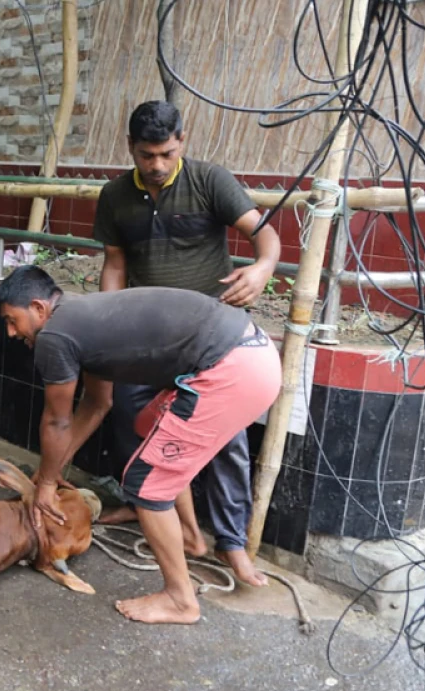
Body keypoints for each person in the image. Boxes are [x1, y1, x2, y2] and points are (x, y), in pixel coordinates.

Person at [0, 266, 281, 624]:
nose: (10, 332)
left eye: (12, 320)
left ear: (38, 308)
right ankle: (191, 538)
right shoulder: (79, 318)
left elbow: (58, 420)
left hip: (231, 367)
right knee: (149, 427)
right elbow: (97, 404)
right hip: (253, 354)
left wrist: (49, 484)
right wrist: (48, 471)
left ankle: (180, 600)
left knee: (145, 484)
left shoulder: (54, 336)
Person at [96, 100, 282, 587]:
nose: (156, 165)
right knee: (130, 419)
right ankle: (143, 506)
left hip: (213, 339)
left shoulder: (209, 180)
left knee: (225, 442)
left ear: (183, 140)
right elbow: (115, 264)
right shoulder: (114, 195)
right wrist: (107, 324)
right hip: (145, 334)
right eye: (145, 155)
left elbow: (267, 240)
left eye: (165, 153)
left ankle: (231, 545)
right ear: (129, 148)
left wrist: (261, 270)